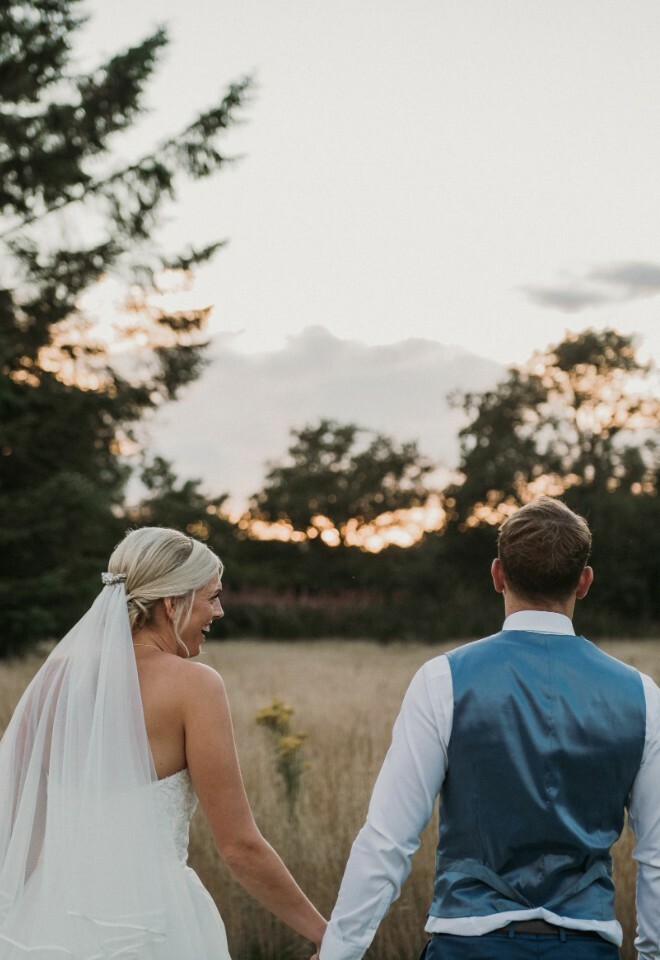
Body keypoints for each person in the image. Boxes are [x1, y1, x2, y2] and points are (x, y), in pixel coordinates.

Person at [317, 496, 660, 960]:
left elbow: (387, 839)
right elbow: (656, 856)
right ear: (584, 582)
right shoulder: (641, 695)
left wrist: (340, 952)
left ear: (498, 573)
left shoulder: (442, 680)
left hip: (467, 944)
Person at [0, 526, 326, 959]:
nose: (220, 611)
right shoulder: (195, 686)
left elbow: (24, 836)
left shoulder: (55, 679)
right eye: (212, 597)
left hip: (49, 925)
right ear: (172, 604)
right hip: (153, 925)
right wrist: (329, 934)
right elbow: (239, 847)